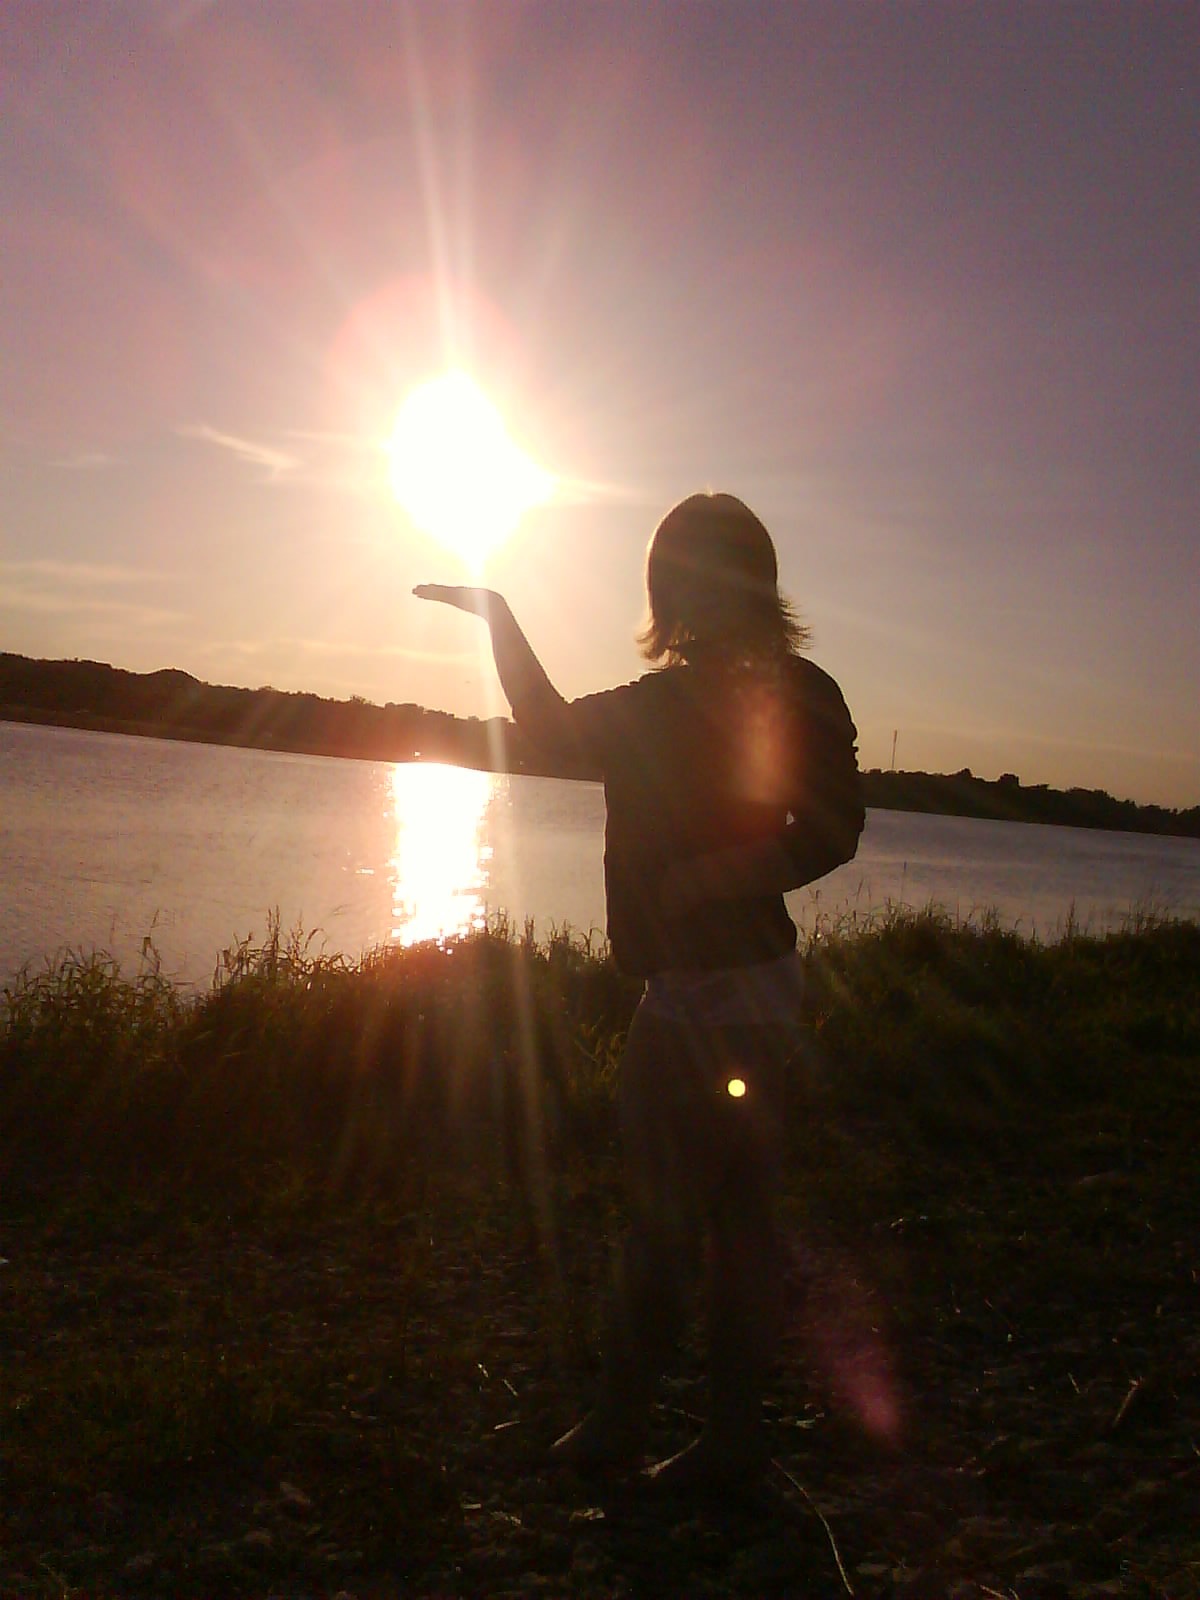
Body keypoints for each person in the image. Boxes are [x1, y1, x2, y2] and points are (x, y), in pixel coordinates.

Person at [415, 490, 863, 1491]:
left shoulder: (736, 699)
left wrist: (716, 878)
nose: (681, 594)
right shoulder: (712, 698)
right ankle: (727, 1438)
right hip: (758, 993)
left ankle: (622, 1425)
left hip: (711, 1001)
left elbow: (831, 828)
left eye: (688, 574)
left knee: (666, 1222)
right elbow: (551, 732)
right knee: (741, 1219)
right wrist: (498, 615)